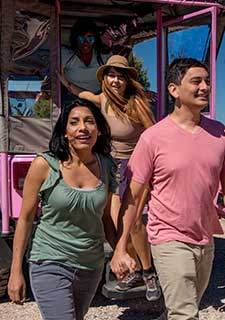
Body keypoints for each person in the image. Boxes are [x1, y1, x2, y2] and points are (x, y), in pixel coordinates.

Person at [110, 57, 225, 319]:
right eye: (196, 81)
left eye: (207, 81)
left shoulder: (220, 134)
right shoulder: (153, 138)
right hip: (168, 235)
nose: (205, 87)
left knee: (185, 306)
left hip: (206, 237)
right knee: (184, 313)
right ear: (174, 90)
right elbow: (133, 196)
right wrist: (121, 246)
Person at [57, 54, 161, 301]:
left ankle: (149, 274)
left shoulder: (136, 103)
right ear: (104, 78)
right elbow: (80, 93)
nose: (115, 81)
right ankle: (130, 268)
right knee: (113, 225)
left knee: (133, 223)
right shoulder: (100, 100)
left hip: (135, 167)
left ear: (127, 80)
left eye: (120, 76)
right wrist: (64, 80)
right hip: (110, 168)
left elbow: (156, 134)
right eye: (111, 75)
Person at [8, 98, 117, 320]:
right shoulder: (44, 165)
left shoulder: (106, 165)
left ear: (98, 130)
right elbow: (26, 219)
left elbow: (106, 219)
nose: (82, 128)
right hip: (49, 260)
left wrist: (119, 252)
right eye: (74, 122)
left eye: (89, 121)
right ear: (65, 132)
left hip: (91, 265)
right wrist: (15, 271)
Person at [61, 18, 111, 105]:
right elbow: (56, 75)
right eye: (81, 39)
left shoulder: (104, 55)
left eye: (90, 39)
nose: (85, 43)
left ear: (95, 39)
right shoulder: (66, 54)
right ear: (75, 39)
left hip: (99, 98)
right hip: (72, 98)